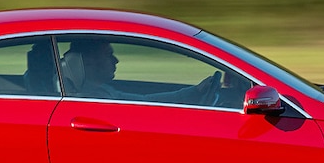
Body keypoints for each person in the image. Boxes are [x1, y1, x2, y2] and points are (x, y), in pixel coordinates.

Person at [61, 38, 221, 105]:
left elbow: (144, 100)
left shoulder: (100, 92)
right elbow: (147, 103)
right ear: (88, 61)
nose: (116, 60)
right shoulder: (95, 99)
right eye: (108, 55)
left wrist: (195, 91)